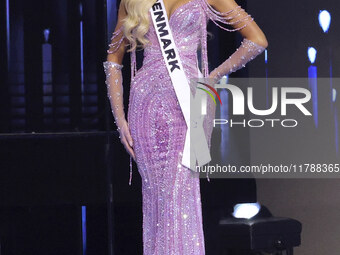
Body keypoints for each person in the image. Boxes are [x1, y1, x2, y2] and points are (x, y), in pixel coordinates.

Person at [103, 0, 268, 254]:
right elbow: (114, 57)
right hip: (145, 106)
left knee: (179, 195)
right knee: (157, 197)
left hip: (187, 102)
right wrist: (120, 119)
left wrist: (212, 76)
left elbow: (257, 40)